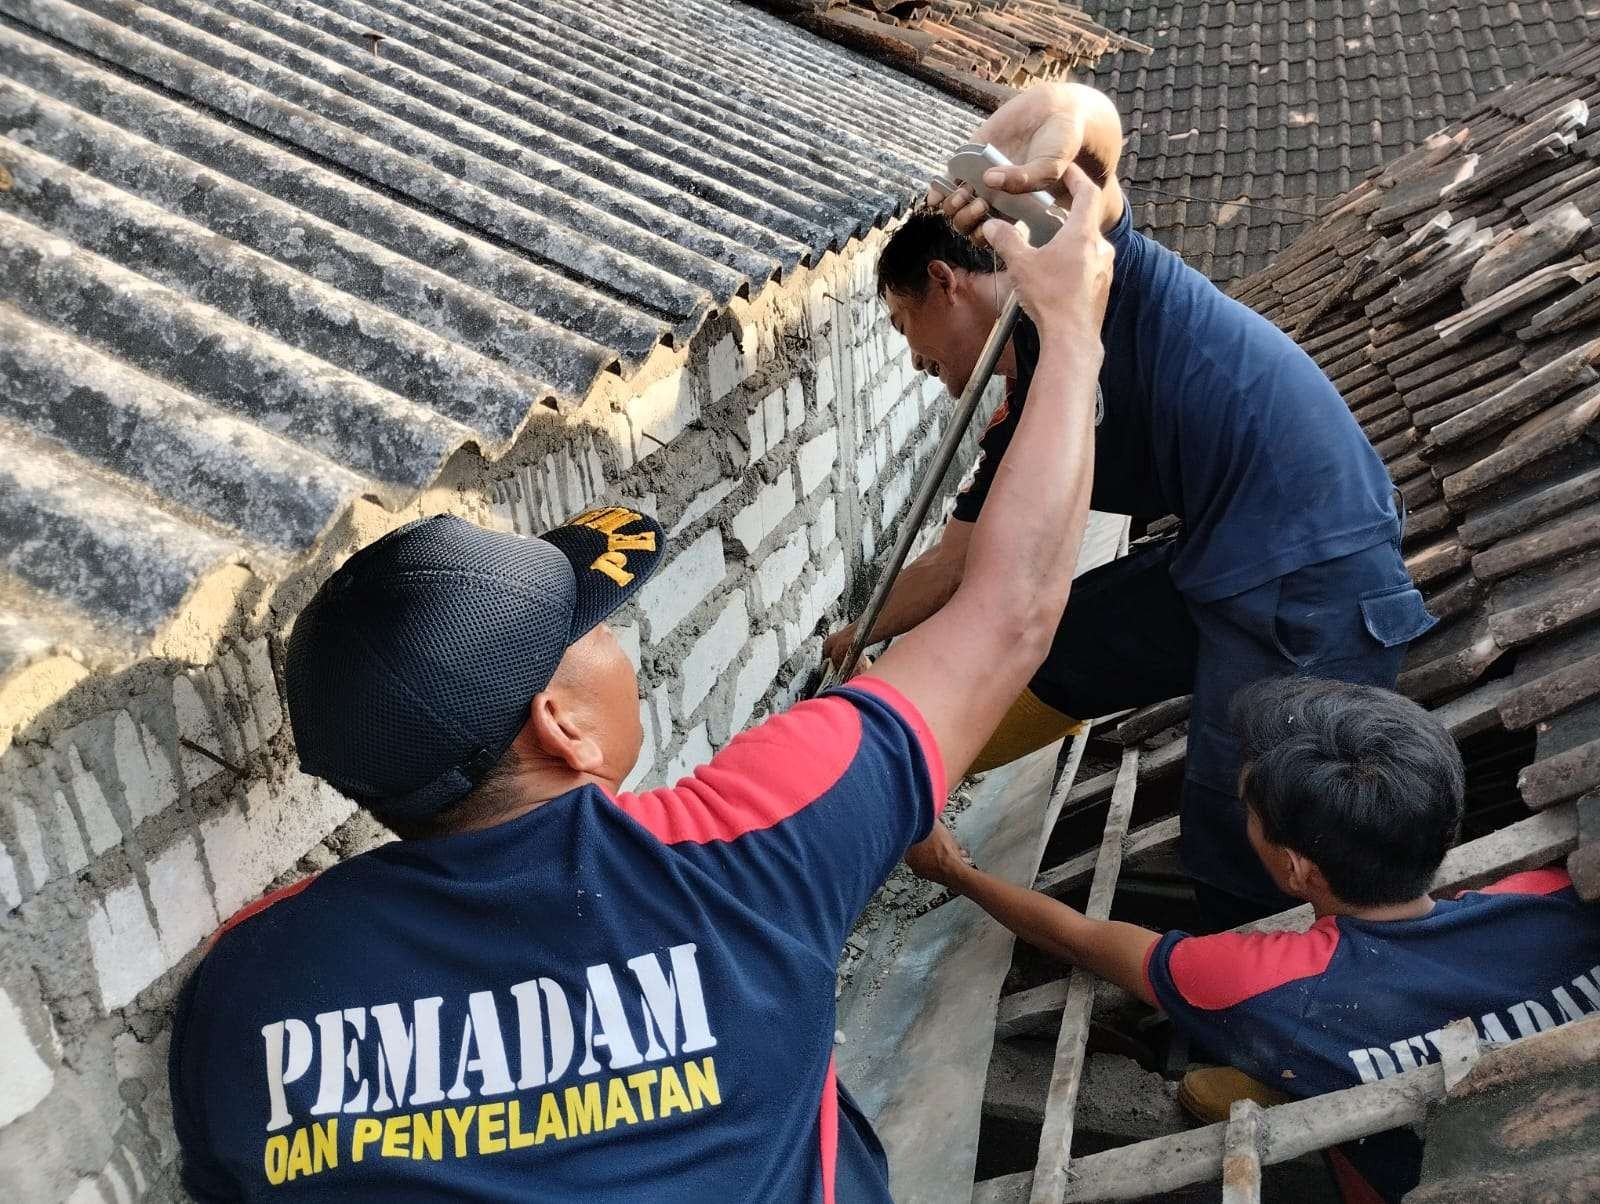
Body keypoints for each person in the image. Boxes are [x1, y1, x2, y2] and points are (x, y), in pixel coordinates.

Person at [165, 171, 1114, 1200]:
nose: (619, 645)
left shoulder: (245, 987)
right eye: (592, 628)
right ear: (559, 726)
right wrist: (1070, 333)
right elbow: (1012, 606)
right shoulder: (749, 848)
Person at [824, 82, 1437, 930]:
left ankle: (1246, 1019)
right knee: (1072, 646)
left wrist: (1063, 124)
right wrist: (858, 642)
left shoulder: (1098, 274)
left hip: (1313, 574)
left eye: (906, 328)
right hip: (1221, 563)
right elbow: (955, 559)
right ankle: (902, 779)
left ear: (944, 281)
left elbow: (1091, 161)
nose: (918, 360)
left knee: (1240, 817)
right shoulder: (1028, 394)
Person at [907, 676, 1600, 1201]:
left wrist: (956, 873)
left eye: (1250, 812)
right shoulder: (1556, 897)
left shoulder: (1268, 984)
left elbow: (1088, 941)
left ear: (1296, 869)